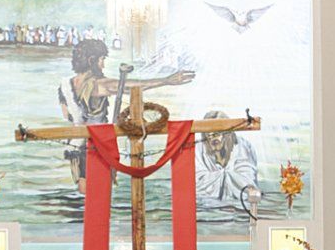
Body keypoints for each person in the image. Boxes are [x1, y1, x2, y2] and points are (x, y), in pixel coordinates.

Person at [56, 38, 196, 195]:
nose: (103, 65)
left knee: (84, 191)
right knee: (99, 193)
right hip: (97, 145)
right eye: (102, 60)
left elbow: (67, 114)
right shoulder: (97, 84)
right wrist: (166, 80)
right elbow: (134, 86)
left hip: (76, 145)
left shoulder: (65, 85)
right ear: (91, 60)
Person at [196, 112, 263, 216]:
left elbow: (248, 181)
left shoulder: (242, 147)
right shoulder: (198, 149)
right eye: (208, 135)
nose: (213, 139)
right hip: (206, 210)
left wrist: (223, 175)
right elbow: (197, 182)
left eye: (217, 134)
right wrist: (224, 176)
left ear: (227, 134)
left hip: (240, 209)